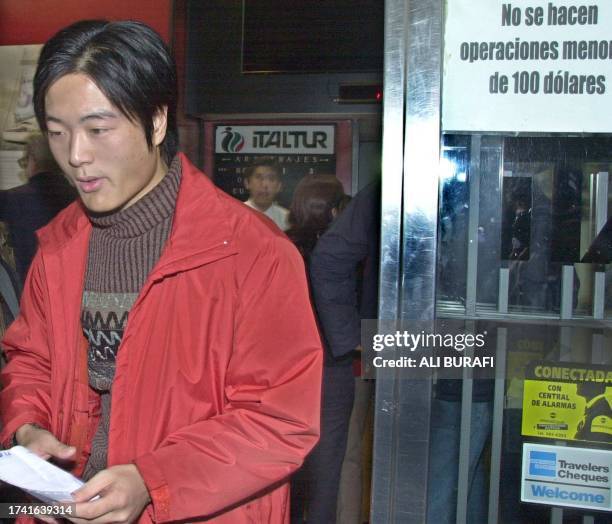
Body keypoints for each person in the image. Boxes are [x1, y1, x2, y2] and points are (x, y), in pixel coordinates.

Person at [0, 20, 323, 523]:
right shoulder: (61, 243)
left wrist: (152, 480)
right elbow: (30, 360)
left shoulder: (251, 253)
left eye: (98, 129)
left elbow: (279, 419)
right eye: (57, 133)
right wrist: (28, 428)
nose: (76, 156)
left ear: (155, 122)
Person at [309, 181, 381, 524]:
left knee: (346, 454)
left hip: (346, 358)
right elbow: (331, 259)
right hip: (342, 362)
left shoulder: (286, 244)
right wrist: (353, 338)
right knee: (346, 454)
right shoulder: (316, 251)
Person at [285, 175, 352, 524]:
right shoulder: (344, 251)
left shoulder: (279, 246)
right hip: (330, 366)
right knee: (328, 467)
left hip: (286, 371)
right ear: (330, 209)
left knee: (290, 462)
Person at [0, 133, 76, 287]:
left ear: (33, 161)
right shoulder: (80, 197)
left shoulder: (12, 199)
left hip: (33, 290)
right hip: (74, 290)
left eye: (24, 162)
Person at [243, 157, 289, 230]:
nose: (264, 184)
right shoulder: (234, 216)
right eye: (259, 178)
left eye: (271, 179)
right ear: (247, 183)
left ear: (279, 186)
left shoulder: (287, 220)